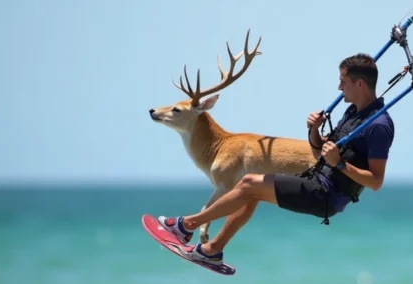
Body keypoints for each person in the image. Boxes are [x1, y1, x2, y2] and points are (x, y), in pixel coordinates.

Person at [155, 53, 395, 266]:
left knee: (249, 184)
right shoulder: (353, 112)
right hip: (316, 179)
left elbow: (375, 182)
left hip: (326, 194)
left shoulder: (379, 125)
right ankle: (211, 251)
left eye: (343, 81)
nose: (339, 86)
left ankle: (185, 226)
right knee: (251, 190)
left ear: (360, 84)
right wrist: (313, 130)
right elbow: (322, 151)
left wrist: (339, 163)